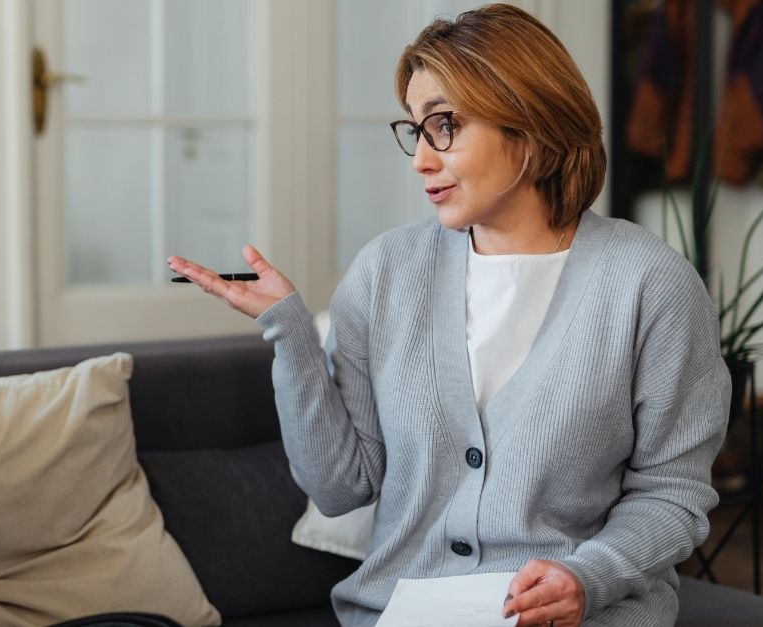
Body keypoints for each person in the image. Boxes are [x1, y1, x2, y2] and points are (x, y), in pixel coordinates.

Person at [168, 5, 729, 627]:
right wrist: (289, 330)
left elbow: (672, 494)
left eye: (444, 125)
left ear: (530, 121)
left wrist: (588, 576)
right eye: (416, 130)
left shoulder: (650, 283)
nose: (421, 160)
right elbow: (339, 488)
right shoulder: (386, 272)